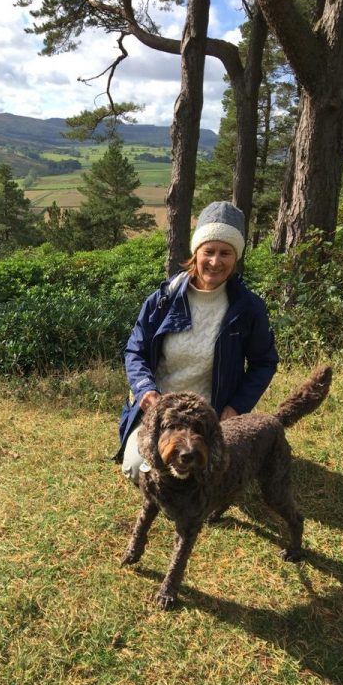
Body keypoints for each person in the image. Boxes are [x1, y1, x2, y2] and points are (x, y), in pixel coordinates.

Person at [117, 200, 279, 484]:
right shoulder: (164, 299)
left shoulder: (248, 308)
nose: (216, 262)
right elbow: (136, 349)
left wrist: (236, 408)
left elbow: (264, 362)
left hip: (210, 416)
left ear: (236, 257)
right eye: (209, 251)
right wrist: (144, 389)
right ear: (196, 253)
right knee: (135, 468)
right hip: (160, 413)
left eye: (225, 253)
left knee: (207, 473)